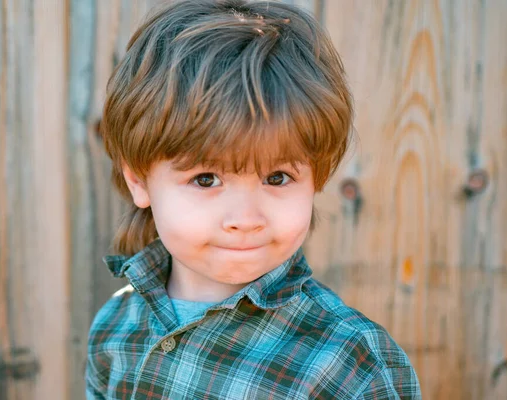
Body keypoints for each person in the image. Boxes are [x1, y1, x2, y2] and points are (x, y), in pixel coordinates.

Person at [85, 0, 421, 398]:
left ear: (317, 177)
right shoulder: (116, 327)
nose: (246, 218)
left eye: (277, 177)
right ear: (139, 180)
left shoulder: (350, 362)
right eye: (206, 179)